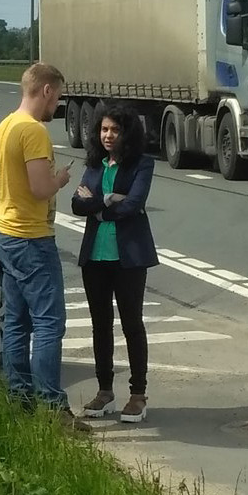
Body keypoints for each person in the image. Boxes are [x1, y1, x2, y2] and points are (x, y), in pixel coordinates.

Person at [0, 62, 74, 411]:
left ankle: (19, 397)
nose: (58, 105)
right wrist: (61, 180)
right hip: (31, 236)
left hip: (5, 231)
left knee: (16, 321)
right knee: (49, 322)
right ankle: (52, 405)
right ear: (46, 91)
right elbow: (40, 188)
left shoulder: (5, 125)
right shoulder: (34, 131)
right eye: (58, 97)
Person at [72, 100, 158, 423]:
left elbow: (134, 205)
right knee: (99, 325)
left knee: (132, 324)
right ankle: (105, 391)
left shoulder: (142, 165)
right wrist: (107, 201)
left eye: (115, 130)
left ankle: (138, 394)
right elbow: (75, 204)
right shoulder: (95, 164)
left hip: (129, 258)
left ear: (127, 134)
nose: (108, 135)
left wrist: (96, 205)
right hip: (95, 257)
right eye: (104, 129)